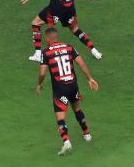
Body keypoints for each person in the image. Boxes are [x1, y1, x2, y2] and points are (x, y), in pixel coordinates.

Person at [36, 28, 98, 156]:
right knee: (77, 109)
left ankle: (66, 142)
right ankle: (87, 134)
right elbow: (81, 63)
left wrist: (39, 84)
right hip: (73, 85)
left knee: (60, 117)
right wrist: (90, 78)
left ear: (48, 38)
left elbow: (42, 72)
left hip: (60, 88)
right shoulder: (69, 47)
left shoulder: (46, 52)